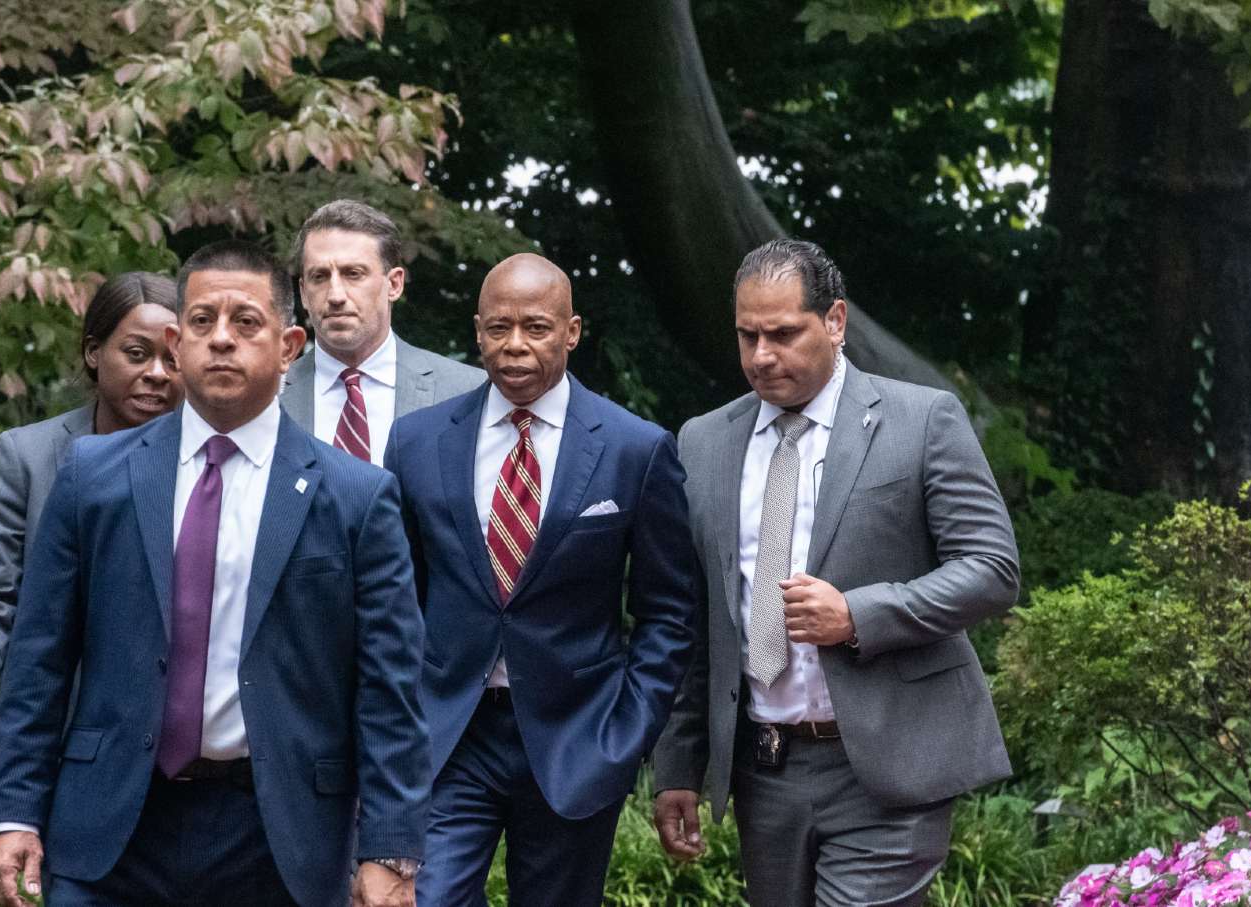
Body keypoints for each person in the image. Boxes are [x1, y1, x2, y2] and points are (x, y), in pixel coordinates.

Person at [0, 241, 429, 907]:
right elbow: (39, 657)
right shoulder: (94, 475)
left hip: (277, 837)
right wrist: (14, 809)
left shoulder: (356, 497)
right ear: (176, 338)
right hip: (110, 829)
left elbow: (390, 688)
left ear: (290, 345)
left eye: (246, 322)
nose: (221, 339)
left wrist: (388, 848)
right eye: (202, 321)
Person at [650, 238, 1020, 906]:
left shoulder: (921, 420)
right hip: (765, 768)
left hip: (887, 761)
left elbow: (993, 568)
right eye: (748, 336)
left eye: (785, 333)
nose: (763, 356)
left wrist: (859, 614)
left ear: (836, 322)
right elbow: (699, 614)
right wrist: (679, 761)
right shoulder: (703, 441)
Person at [383, 253, 696, 906]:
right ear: (477, 331)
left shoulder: (634, 447)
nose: (515, 345)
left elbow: (668, 612)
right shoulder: (414, 443)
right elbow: (396, 599)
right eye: (499, 327)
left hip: (577, 741)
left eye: (536, 326)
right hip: (448, 737)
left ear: (572, 331)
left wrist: (627, 732)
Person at [0, 272, 181, 790]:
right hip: (62, 744)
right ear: (94, 352)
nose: (157, 373)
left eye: (173, 359)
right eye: (137, 354)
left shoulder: (210, 461)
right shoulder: (29, 456)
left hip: (180, 749)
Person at [280, 199, 484, 464]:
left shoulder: (467, 391)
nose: (335, 295)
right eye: (319, 277)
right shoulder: (267, 396)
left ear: (394, 284)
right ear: (304, 293)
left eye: (353, 274)